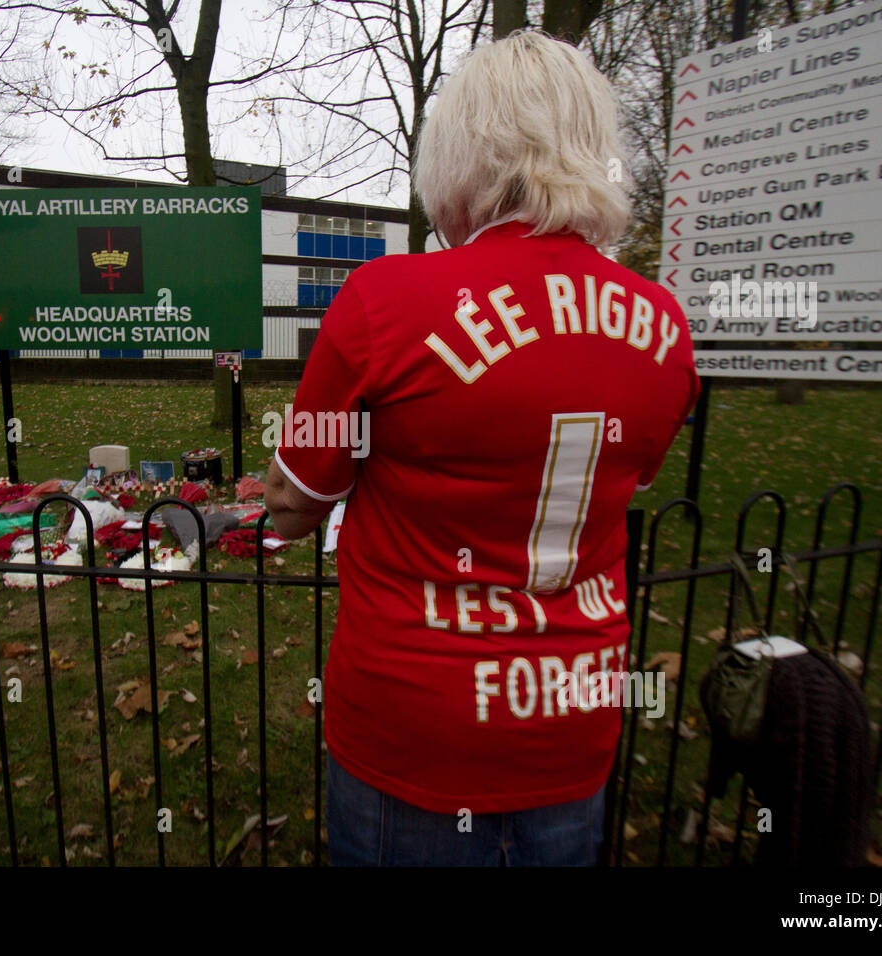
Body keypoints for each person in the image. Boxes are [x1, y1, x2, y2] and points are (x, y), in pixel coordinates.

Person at [264, 29, 699, 866]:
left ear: (461, 151)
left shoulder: (385, 302)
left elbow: (292, 504)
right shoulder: (664, 328)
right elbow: (630, 475)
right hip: (572, 722)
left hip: (412, 733)